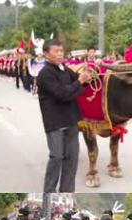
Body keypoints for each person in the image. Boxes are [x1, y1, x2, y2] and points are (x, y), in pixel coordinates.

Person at [37, 39, 91, 193]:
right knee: (56, 157)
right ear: (47, 54)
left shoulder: (64, 69)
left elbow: (78, 84)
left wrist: (87, 76)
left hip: (71, 120)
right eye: (56, 51)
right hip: (55, 122)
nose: (60, 54)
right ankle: (49, 191)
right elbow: (62, 94)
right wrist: (79, 82)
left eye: (61, 50)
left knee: (72, 158)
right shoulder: (45, 73)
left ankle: (67, 190)